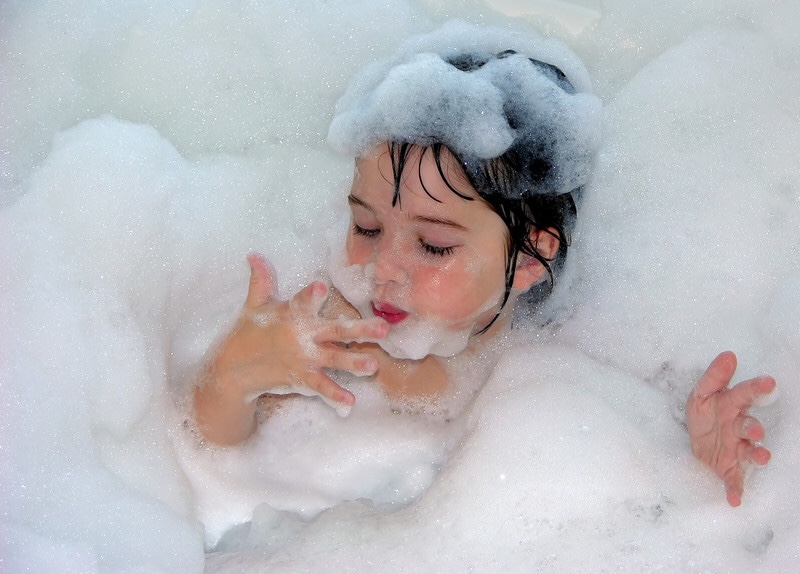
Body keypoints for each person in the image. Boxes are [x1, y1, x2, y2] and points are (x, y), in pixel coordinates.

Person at [192, 21, 774, 507]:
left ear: (528, 260)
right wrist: (235, 371)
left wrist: (694, 455)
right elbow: (217, 447)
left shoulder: (572, 354)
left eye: (434, 246)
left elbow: (637, 479)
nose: (382, 268)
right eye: (366, 226)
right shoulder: (330, 330)